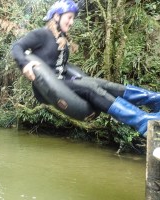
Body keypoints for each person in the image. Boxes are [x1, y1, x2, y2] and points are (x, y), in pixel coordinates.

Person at [11, 0, 160, 137]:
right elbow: (17, 47)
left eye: (73, 18)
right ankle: (141, 120)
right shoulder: (41, 34)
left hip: (64, 81)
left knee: (104, 85)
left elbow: (61, 65)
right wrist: (24, 64)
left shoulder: (61, 38)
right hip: (50, 86)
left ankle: (155, 100)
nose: (72, 22)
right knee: (90, 87)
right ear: (56, 16)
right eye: (69, 17)